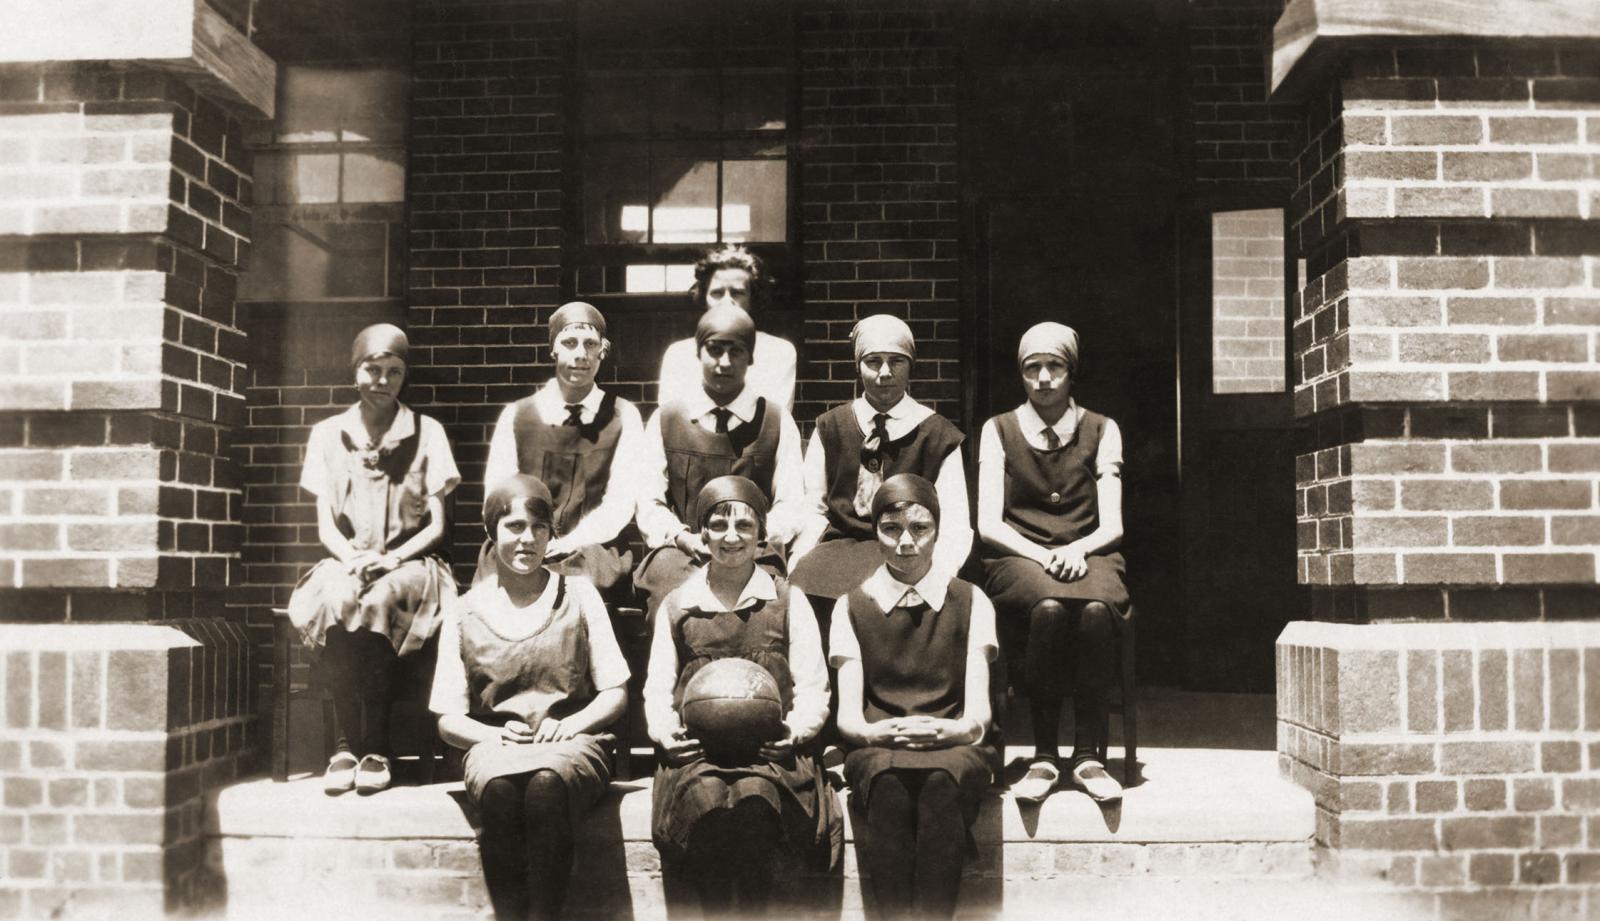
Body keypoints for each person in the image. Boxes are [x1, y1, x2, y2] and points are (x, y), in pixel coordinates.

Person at [430, 474, 630, 921]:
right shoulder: (464, 611)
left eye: (539, 528)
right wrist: (489, 736)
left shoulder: (580, 595)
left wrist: (572, 725)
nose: (528, 539)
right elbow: (447, 717)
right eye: (514, 527)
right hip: (495, 744)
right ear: (491, 534)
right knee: (500, 791)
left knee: (544, 786)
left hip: (573, 741)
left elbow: (615, 692)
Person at [644, 476, 841, 917]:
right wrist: (665, 733)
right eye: (717, 525)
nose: (731, 537)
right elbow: (658, 685)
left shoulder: (789, 600)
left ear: (761, 534)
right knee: (708, 800)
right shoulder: (679, 605)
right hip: (697, 751)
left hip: (771, 750)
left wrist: (796, 730)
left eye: (744, 526)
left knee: (754, 799)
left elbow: (813, 685)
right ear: (702, 533)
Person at [287, 323, 460, 796]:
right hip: (347, 558)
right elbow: (325, 526)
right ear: (355, 372)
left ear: (404, 377)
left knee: (379, 601)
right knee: (340, 596)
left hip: (412, 562)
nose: (382, 381)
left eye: (394, 372)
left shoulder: (428, 433)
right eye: (373, 370)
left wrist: (389, 559)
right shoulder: (326, 435)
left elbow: (438, 526)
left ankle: (377, 747)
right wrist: (351, 558)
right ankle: (344, 746)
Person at [831, 474, 997, 921]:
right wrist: (872, 731)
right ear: (875, 533)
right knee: (888, 785)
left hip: (956, 742)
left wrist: (954, 729)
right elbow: (849, 717)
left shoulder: (971, 600)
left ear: (938, 531)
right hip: (880, 744)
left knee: (942, 782)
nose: (907, 542)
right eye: (891, 529)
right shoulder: (851, 605)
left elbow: (978, 713)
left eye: (920, 529)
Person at [976, 321, 1127, 804]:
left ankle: (1087, 757)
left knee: (1098, 611)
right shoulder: (997, 430)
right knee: (1048, 609)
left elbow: (1114, 524)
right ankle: (1043, 756)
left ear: (1072, 371)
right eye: (1032, 367)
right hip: (1018, 556)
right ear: (1020, 374)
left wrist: (1076, 550)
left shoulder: (1103, 428)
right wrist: (1044, 554)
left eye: (1054, 366)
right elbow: (988, 524)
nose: (1043, 378)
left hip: (1092, 550)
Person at [634, 304, 808, 616]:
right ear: (699, 354)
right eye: (714, 350)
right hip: (683, 551)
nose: (724, 363)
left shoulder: (776, 420)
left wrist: (749, 539)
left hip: (754, 549)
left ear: (751, 357)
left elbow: (791, 503)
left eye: (736, 351)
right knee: (672, 605)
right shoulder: (667, 419)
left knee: (765, 611)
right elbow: (648, 502)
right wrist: (681, 537)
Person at [790, 313, 972, 602]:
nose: (884, 372)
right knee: (801, 590)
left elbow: (955, 522)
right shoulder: (830, 426)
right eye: (873, 361)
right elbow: (814, 508)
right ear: (858, 366)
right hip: (840, 550)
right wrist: (799, 559)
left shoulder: (938, 434)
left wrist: (941, 572)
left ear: (911, 365)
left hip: (907, 547)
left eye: (896, 361)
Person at [480, 301, 645, 589]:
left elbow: (620, 502)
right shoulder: (518, 416)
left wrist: (572, 542)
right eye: (569, 343)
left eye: (590, 344)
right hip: (522, 540)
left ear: (602, 351)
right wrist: (531, 539)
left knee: (579, 591)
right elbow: (497, 496)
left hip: (592, 547)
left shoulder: (623, 415)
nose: (580, 354)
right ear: (553, 350)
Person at [657, 245, 797, 412]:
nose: (726, 302)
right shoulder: (678, 354)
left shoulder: (779, 352)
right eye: (717, 293)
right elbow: (671, 422)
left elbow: (772, 421)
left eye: (737, 293)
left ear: (753, 298)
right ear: (704, 297)